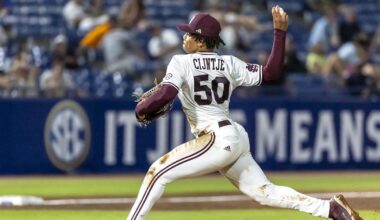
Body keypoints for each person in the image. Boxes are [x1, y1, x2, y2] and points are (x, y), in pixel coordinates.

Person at [128, 7, 363, 220]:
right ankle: (329, 209)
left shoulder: (181, 62)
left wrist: (140, 109)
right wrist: (279, 33)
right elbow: (271, 73)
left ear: (201, 42)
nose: (184, 37)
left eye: (190, 34)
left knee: (157, 172)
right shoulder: (230, 63)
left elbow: (167, 93)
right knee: (266, 192)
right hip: (235, 136)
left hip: (215, 139)